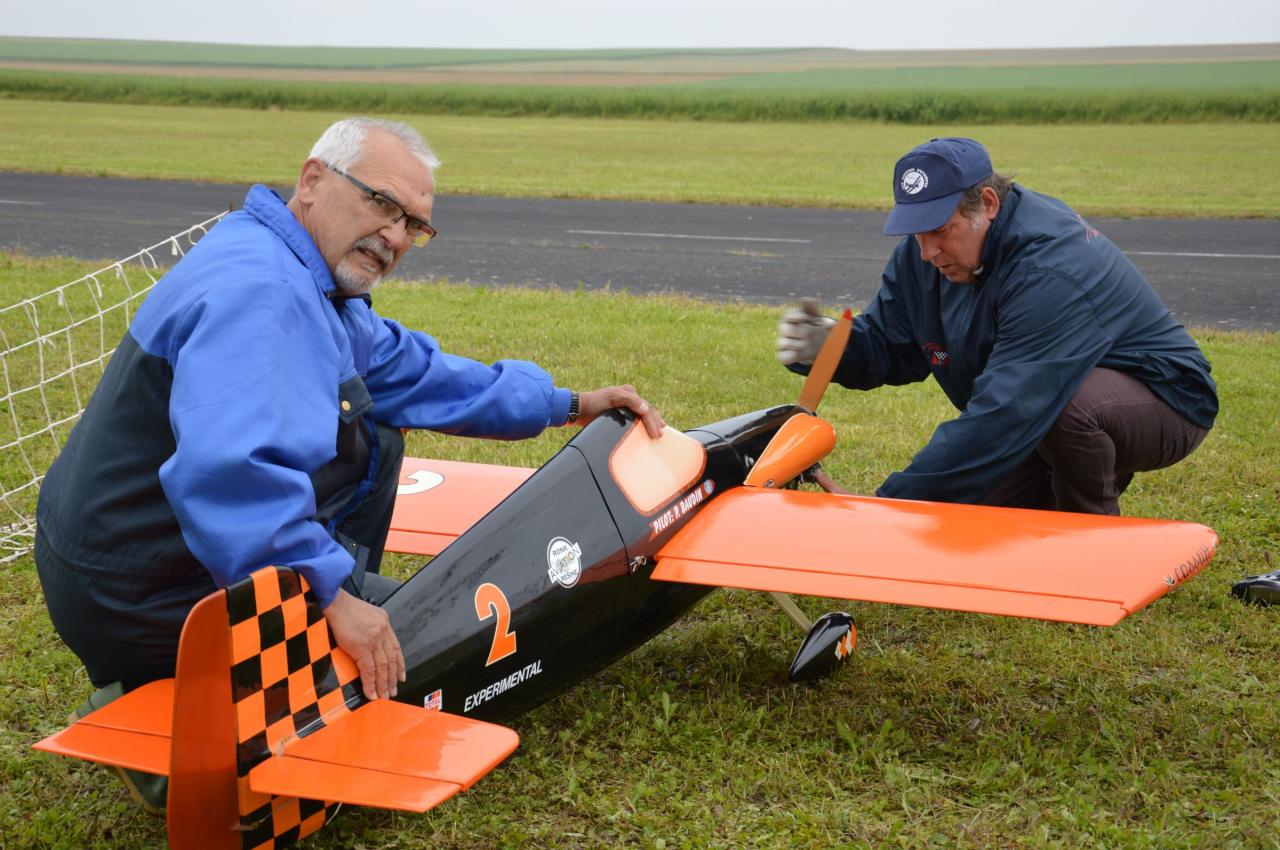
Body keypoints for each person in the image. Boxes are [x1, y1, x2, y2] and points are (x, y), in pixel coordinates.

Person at [36, 116, 665, 716]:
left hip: (132, 566)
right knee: (437, 641)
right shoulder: (263, 292)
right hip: (143, 593)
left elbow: (412, 371)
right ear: (312, 180)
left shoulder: (296, 270)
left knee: (377, 435)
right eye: (383, 204)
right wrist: (330, 597)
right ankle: (186, 693)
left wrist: (567, 404)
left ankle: (226, 657)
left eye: (414, 225)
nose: (395, 237)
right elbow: (233, 476)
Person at [776, 137, 1216, 515]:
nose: (928, 252)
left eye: (941, 231)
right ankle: (1052, 485)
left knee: (1068, 410)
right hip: (1040, 399)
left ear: (987, 204)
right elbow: (891, 346)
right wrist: (832, 347)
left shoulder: (1048, 269)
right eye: (915, 233)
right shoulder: (923, 256)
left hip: (1164, 399)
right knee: (969, 526)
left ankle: (1090, 542)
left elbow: (1006, 411)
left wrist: (893, 505)